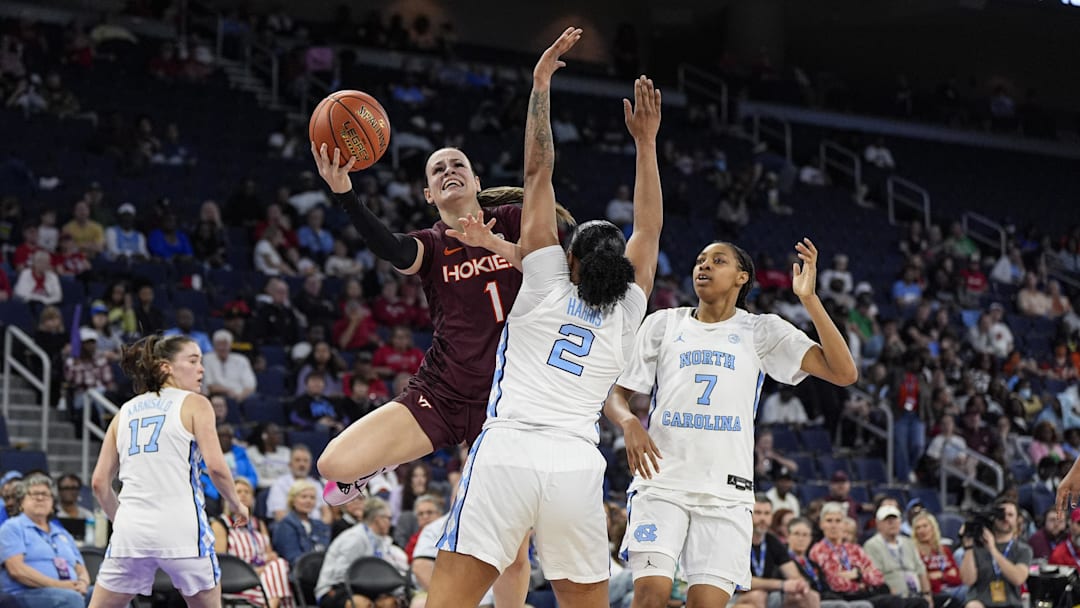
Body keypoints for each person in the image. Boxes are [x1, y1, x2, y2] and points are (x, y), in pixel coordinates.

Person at [312, 47, 574, 608]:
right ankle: (379, 467)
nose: (448, 170)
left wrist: (539, 87)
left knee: (511, 543)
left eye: (457, 163)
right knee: (332, 466)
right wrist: (346, 197)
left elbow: (548, 248)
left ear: (477, 180)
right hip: (444, 391)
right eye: (437, 170)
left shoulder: (511, 220)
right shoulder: (431, 246)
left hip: (512, 406)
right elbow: (388, 247)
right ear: (429, 195)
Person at [425, 28, 662, 608]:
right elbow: (649, 227)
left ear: (569, 256)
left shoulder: (543, 277)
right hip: (577, 465)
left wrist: (540, 82)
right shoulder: (631, 304)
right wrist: (647, 145)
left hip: (507, 448)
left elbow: (537, 171)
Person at [607, 238, 857, 607]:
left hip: (726, 494)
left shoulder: (762, 330)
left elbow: (843, 372)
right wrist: (628, 422)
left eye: (717, 260)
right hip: (663, 483)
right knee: (649, 597)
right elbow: (617, 394)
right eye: (699, 260)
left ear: (742, 277)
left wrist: (809, 299)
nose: (703, 266)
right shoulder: (663, 323)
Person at [87, 334, 250, 608]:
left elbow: (99, 483)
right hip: (181, 530)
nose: (202, 368)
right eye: (193, 360)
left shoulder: (124, 411)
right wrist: (236, 504)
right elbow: (217, 469)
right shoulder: (195, 403)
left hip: (132, 532)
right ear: (166, 367)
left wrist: (122, 519)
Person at [0, 474, 92, 607]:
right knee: (71, 599)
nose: (40, 498)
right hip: (25, 594)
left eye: (45, 494)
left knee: (109, 594)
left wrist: (82, 583)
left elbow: (81, 568)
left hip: (68, 590)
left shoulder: (62, 533)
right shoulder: (12, 528)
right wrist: (60, 586)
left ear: (52, 504)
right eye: (34, 494)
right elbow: (17, 570)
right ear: (21, 502)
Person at [211, 478, 292, 608]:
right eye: (238, 492)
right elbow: (221, 562)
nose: (243, 495)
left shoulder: (258, 523)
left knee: (279, 564)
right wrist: (254, 570)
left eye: (247, 492)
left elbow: (269, 554)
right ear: (228, 497)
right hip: (237, 579)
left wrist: (270, 557)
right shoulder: (220, 524)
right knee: (279, 574)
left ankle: (270, 603)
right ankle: (272, 604)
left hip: (264, 577)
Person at [314, 497, 406, 608]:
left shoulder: (381, 541)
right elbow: (340, 575)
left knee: (389, 603)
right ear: (378, 519)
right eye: (388, 518)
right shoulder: (354, 538)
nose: (390, 523)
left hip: (366, 588)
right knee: (362, 604)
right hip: (334, 589)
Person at [732, 496, 819, 608]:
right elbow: (742, 583)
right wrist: (782, 585)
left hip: (768, 594)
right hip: (735, 596)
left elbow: (792, 573)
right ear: (748, 514)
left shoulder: (772, 541)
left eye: (767, 513)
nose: (763, 518)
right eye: (758, 513)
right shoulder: (738, 540)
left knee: (810, 596)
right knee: (758, 596)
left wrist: (800, 585)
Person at [958, 498, 1031, 608]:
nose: (1005, 518)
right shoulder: (978, 546)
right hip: (981, 603)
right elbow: (968, 581)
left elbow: (1018, 578)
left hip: (1011, 604)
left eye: (1010, 515)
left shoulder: (1023, 549)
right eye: (1001, 514)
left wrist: (993, 549)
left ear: (1017, 520)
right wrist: (968, 547)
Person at [786, 518, 873, 608]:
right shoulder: (784, 562)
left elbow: (825, 587)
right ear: (788, 537)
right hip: (803, 602)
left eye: (805, 535)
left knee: (864, 605)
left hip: (823, 599)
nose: (801, 539)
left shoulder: (812, 564)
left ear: (810, 539)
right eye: (796, 534)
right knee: (841, 606)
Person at [862, 505, 933, 606]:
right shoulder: (872, 545)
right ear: (878, 524)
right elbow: (876, 577)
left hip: (916, 594)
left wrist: (927, 594)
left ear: (900, 522)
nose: (892, 523)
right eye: (887, 521)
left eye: (895, 520)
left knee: (950, 599)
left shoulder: (909, 542)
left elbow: (921, 570)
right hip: (892, 596)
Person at [270, 479, 330, 566]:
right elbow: (292, 558)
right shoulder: (285, 525)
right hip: (298, 573)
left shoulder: (320, 525)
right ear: (293, 500)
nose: (309, 501)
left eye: (312, 497)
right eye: (304, 497)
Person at [910, 512, 962, 608]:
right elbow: (927, 582)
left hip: (953, 588)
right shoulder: (915, 552)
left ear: (933, 528)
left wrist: (941, 576)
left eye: (925, 526)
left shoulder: (944, 550)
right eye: (918, 528)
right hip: (933, 593)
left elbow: (958, 579)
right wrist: (947, 575)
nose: (922, 530)